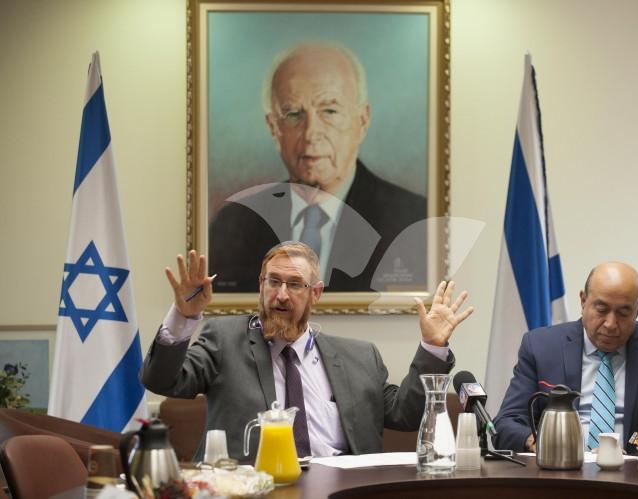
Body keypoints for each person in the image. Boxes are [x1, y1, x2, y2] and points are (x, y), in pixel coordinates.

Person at [141, 242, 473, 461]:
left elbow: (407, 414)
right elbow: (162, 381)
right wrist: (183, 317)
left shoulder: (360, 357)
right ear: (261, 285)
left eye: (295, 284)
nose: (281, 295)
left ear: (315, 293)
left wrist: (433, 346)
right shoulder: (225, 339)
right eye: (273, 282)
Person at [209, 42, 427, 293]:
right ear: (273, 127)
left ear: (363, 120)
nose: (311, 133)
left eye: (329, 111)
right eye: (293, 114)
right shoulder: (234, 225)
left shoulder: (414, 224)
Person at [492, 262, 638, 454]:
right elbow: (506, 423)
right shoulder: (541, 347)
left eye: (623, 313)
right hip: (558, 469)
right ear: (583, 301)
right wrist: (539, 442)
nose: (610, 324)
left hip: (634, 472)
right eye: (601, 310)